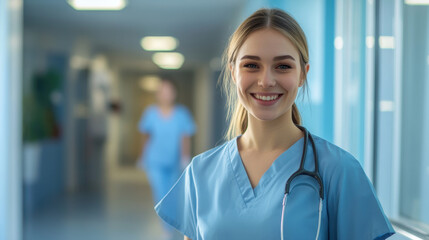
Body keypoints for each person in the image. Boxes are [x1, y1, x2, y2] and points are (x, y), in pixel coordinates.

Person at [154, 8, 395, 240]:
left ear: (303, 74)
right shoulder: (200, 173)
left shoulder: (340, 171)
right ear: (233, 72)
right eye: (251, 65)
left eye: (283, 66)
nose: (266, 81)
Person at [137, 78, 195, 238]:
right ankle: (167, 231)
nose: (165, 95)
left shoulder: (182, 114)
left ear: (174, 94)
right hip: (154, 161)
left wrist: (185, 158)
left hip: (174, 162)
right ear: (158, 94)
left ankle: (170, 225)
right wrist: (142, 156)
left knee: (172, 195)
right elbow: (146, 136)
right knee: (161, 195)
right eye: (162, 91)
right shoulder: (150, 113)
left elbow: (185, 137)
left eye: (169, 91)